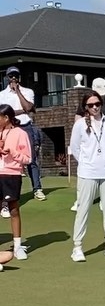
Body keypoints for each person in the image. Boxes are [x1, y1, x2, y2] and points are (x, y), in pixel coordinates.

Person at [69, 91, 105, 261]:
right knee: (83, 210)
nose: (94, 108)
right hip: (87, 173)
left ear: (101, 104)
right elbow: (75, 148)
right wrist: (87, 162)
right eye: (90, 105)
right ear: (85, 107)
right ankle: (77, 247)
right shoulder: (79, 125)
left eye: (97, 104)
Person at [0, 66, 45, 201]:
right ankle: (5, 194)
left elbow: (28, 107)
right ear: (7, 78)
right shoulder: (2, 94)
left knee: (31, 160)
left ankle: (37, 189)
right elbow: (3, 113)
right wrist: (20, 111)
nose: (13, 78)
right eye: (11, 76)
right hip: (8, 128)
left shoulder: (27, 91)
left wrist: (18, 92)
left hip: (25, 126)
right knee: (6, 157)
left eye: (16, 75)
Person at [0, 106, 31, 261]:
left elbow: (27, 158)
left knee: (13, 210)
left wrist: (13, 152)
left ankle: (18, 246)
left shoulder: (20, 133)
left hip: (12, 174)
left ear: (6, 118)